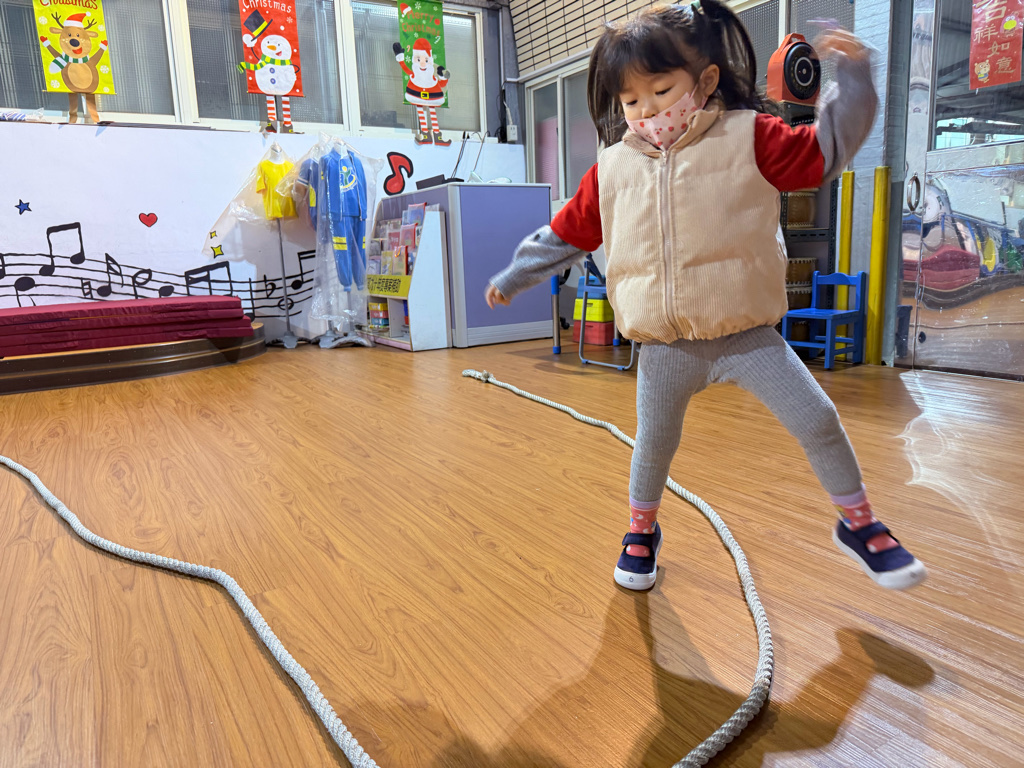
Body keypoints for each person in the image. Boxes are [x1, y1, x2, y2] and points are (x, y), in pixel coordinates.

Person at [485, 1, 927, 592]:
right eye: (630, 100)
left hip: (746, 335)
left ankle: (859, 523)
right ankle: (640, 531)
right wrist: (514, 276)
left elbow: (824, 151)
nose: (647, 111)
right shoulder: (612, 169)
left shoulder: (749, 136)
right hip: (666, 345)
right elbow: (567, 233)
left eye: (661, 90)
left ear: (705, 80)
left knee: (818, 418)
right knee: (653, 446)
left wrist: (851, 80)